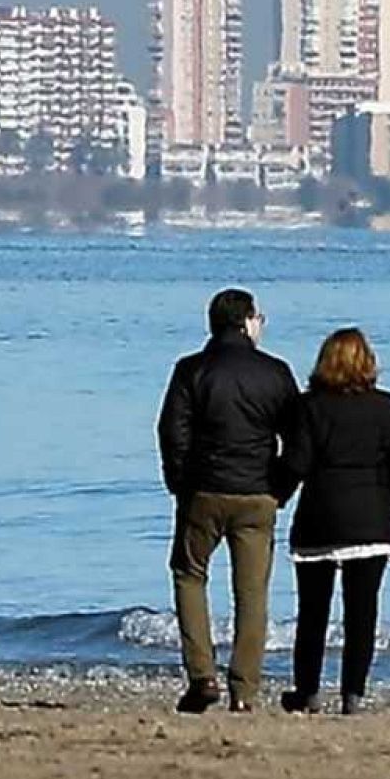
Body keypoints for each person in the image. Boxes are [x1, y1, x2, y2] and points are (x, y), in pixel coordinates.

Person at [157, 288, 299, 713]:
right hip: (257, 492)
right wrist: (281, 487)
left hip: (203, 489)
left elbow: (172, 431)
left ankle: (202, 675)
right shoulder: (274, 372)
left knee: (189, 576)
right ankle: (245, 690)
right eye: (259, 318)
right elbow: (297, 438)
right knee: (252, 593)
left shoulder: (191, 369)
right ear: (248, 322)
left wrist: (180, 481)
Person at [277, 328, 390, 716]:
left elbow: (296, 463)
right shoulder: (387, 406)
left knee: (313, 611)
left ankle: (307, 691)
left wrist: (275, 496)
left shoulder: (310, 407)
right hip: (372, 521)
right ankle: (353, 693)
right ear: (368, 362)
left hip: (319, 517)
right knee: (362, 611)